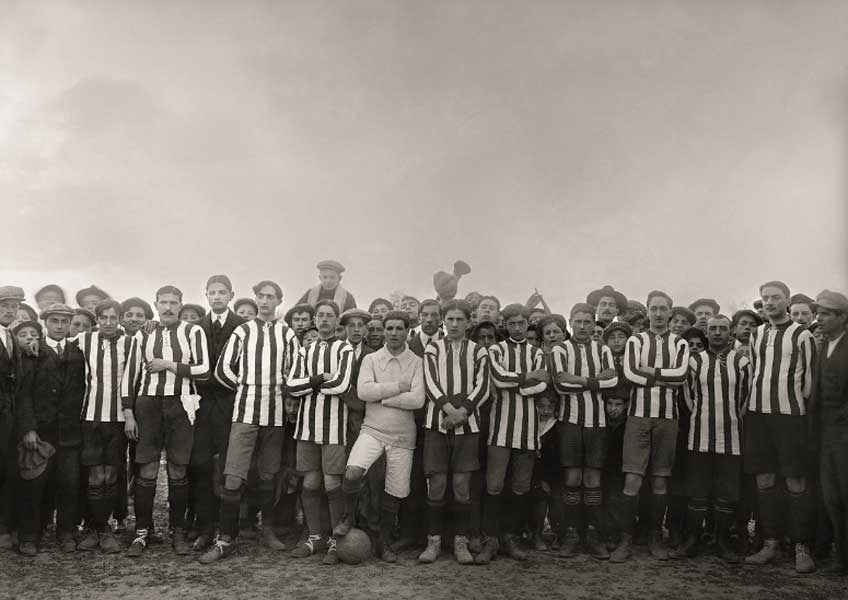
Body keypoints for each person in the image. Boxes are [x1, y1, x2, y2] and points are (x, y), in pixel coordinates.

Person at [199, 280, 298, 563]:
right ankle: (226, 539)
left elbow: (293, 373)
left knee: (268, 475)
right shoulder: (243, 330)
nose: (265, 301)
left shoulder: (287, 333)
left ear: (279, 301)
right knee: (233, 476)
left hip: (276, 414)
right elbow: (222, 370)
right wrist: (243, 384)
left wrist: (284, 389)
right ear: (255, 300)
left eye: (270, 297)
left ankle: (267, 530)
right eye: (260, 297)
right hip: (244, 413)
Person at [121, 285, 210, 557]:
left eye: (173, 302)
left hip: (182, 404)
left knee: (177, 471)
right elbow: (130, 375)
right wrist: (128, 413)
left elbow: (204, 370)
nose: (168, 307)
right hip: (148, 404)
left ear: (181, 304)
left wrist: (168, 365)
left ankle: (178, 532)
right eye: (163, 302)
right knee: (146, 470)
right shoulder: (143, 334)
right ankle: (142, 532)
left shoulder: (193, 332)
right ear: (156, 304)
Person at [334, 311, 425, 563]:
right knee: (352, 472)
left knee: (393, 492)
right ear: (383, 331)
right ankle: (348, 516)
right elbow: (363, 391)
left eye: (399, 328)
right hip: (372, 430)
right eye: (390, 328)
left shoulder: (417, 362)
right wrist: (397, 388)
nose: (394, 333)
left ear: (407, 331)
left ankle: (383, 544)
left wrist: (381, 396)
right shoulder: (371, 359)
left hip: (403, 436)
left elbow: (417, 399)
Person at [611, 290, 689, 563]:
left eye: (663, 308)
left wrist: (650, 372)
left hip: (668, 419)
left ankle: (655, 536)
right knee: (632, 479)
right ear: (647, 310)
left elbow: (680, 377)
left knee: (659, 480)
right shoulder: (636, 340)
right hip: (638, 417)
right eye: (653, 308)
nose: (658, 313)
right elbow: (631, 373)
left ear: (670, 311)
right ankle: (626, 538)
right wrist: (660, 378)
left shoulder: (679, 343)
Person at [744, 281, 816, 573]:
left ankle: (801, 546)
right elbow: (753, 373)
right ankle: (771, 543)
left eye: (776, 298)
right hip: (758, 415)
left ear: (787, 301)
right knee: (764, 480)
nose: (770, 302)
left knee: (795, 480)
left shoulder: (802, 335)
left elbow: (810, 381)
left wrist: (802, 414)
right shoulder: (757, 333)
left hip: (789, 415)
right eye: (765, 298)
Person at [671, 315, 749, 562]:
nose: (717, 333)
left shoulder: (743, 362)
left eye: (723, 329)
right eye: (713, 328)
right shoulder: (695, 362)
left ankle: (722, 541)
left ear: (731, 332)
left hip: (732, 436)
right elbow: (687, 395)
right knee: (697, 491)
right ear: (707, 333)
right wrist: (699, 415)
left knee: (726, 492)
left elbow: (747, 397)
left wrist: (735, 418)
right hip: (699, 435)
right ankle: (692, 540)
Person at [419, 300, 489, 565]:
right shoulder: (433, 349)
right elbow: (430, 383)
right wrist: (450, 410)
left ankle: (460, 541)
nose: (455, 324)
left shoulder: (479, 351)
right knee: (436, 485)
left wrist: (462, 413)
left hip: (468, 425)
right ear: (443, 321)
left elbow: (482, 387)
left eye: (460, 319)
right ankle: (433, 541)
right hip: (436, 423)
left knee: (461, 486)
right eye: (450, 319)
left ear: (468, 322)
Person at [477, 303, 548, 564]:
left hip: (528, 430)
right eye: (512, 323)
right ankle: (490, 540)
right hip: (500, 430)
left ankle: (511, 537)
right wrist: (527, 378)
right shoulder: (496, 349)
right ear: (504, 325)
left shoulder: (537, 352)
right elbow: (498, 379)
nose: (517, 328)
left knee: (520, 488)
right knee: (494, 486)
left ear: (527, 322)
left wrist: (518, 384)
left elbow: (541, 385)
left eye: (521, 323)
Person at [286, 299, 354, 565]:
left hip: (334, 426)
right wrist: (318, 379)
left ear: (337, 320)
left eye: (329, 316)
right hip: (306, 425)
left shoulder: (344, 348)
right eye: (320, 315)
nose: (324, 320)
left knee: (332, 483)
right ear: (315, 320)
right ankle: (315, 537)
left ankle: (336, 542)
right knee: (311, 483)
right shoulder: (306, 350)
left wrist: (309, 385)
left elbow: (341, 384)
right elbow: (291, 385)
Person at [16, 303, 85, 556]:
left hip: (69, 432)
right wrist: (28, 428)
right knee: (35, 485)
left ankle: (66, 533)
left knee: (69, 483)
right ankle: (29, 536)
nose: (59, 326)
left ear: (69, 325)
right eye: (54, 321)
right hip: (41, 433)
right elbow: (23, 396)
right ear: (45, 323)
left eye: (64, 322)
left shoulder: (78, 353)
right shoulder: (33, 353)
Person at [550, 303, 618, 559]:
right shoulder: (560, 349)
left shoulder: (603, 349)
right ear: (570, 322)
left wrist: (579, 380)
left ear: (594, 323)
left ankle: (592, 533)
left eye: (587, 322)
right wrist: (594, 382)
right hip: (569, 421)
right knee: (572, 479)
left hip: (597, 423)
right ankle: (570, 533)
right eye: (577, 321)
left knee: (593, 480)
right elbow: (560, 383)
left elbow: (612, 382)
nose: (581, 326)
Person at [73, 299, 134, 554]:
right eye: (103, 318)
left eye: (113, 317)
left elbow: (130, 379)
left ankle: (106, 528)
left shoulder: (130, 343)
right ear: (97, 319)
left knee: (111, 475)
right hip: (90, 417)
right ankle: (96, 529)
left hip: (118, 418)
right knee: (95, 476)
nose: (108, 322)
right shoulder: (82, 340)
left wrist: (129, 415)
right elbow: (52, 347)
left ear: (119, 318)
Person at [188, 275, 244, 551]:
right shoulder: (195, 327)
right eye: (212, 292)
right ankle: (205, 527)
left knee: (228, 468)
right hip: (201, 405)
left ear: (231, 295)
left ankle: (228, 530)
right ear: (206, 295)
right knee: (200, 465)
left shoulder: (244, 327)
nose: (217, 296)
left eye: (223, 292)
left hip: (232, 404)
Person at [811, 290, 848, 576]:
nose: (818, 318)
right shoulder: (824, 345)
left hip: (845, 435)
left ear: (842, 317)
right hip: (826, 435)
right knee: (832, 498)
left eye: (825, 314)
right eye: (818, 313)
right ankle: (842, 558)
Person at [0, 286, 25, 550]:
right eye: (5, 305)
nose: (10, 310)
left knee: (8, 471)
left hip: (10, 417)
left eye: (14, 306)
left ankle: (5, 528)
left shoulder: (10, 336)